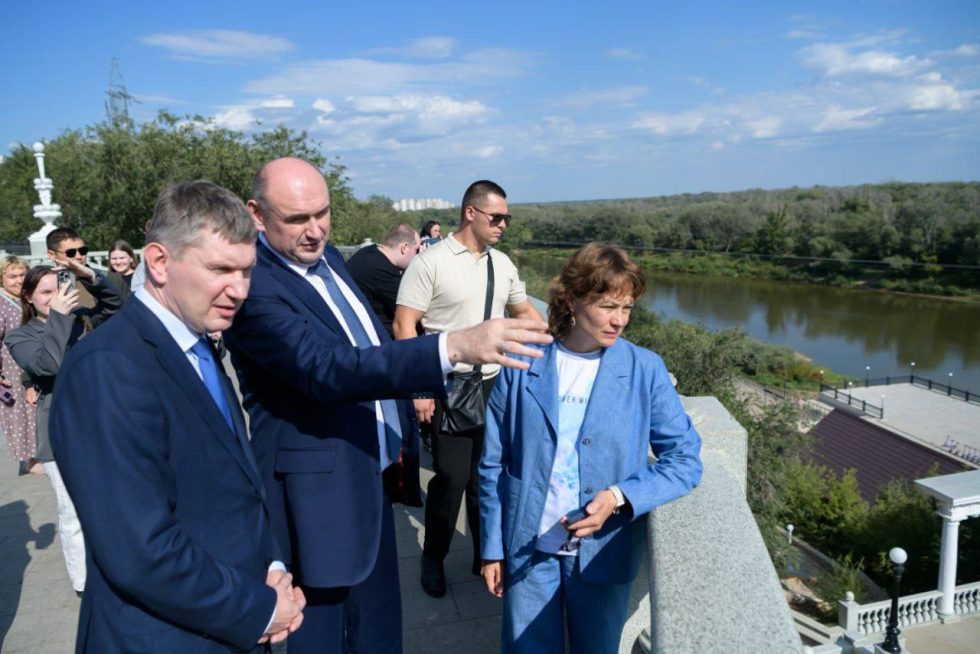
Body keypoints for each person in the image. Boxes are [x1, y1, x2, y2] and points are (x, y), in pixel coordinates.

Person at [223, 157, 552, 654]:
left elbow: (369, 341)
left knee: (377, 629)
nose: (315, 230)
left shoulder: (329, 259)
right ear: (256, 214)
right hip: (317, 496)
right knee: (323, 635)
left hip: (368, 475)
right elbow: (325, 368)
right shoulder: (254, 285)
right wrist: (452, 347)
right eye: (297, 219)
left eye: (322, 213)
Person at [47, 181, 305, 652]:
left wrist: (271, 565)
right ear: (159, 262)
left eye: (247, 271)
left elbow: (237, 484)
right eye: (221, 269)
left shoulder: (197, 342)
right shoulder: (107, 368)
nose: (240, 290)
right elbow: (139, 549)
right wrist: (260, 609)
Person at [478, 243, 703, 654]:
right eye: (607, 306)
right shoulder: (523, 363)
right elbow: (493, 463)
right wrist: (492, 548)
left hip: (604, 552)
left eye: (627, 308)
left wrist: (618, 496)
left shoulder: (644, 369)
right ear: (571, 299)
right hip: (528, 548)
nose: (620, 320)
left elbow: (685, 460)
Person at [393, 179, 543, 599]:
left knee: (487, 479)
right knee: (451, 479)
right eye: (497, 217)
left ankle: (485, 556)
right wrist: (420, 389)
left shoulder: (502, 264)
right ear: (470, 213)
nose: (503, 225)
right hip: (449, 386)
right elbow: (404, 326)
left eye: (508, 218)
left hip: (496, 386)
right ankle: (433, 557)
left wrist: (569, 344)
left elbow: (525, 313)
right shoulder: (431, 262)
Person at [5, 260, 123, 594]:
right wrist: (58, 315)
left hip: (101, 422)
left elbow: (116, 307)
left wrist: (89, 276)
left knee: (113, 501)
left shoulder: (80, 318)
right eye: (45, 292)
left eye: (58, 289)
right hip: (59, 429)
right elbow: (48, 364)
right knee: (72, 509)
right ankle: (83, 584)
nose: (54, 297)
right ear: (28, 297)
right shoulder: (19, 336)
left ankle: (116, 570)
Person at [346, 223, 420, 338]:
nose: (418, 255)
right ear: (404, 248)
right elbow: (411, 309)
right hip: (376, 339)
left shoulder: (367, 252)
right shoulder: (382, 271)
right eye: (416, 250)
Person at [0, 256, 39, 475]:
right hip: (11, 370)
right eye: (12, 276)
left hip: (31, 366)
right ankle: (28, 461)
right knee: (18, 416)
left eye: (22, 275)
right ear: (2, 279)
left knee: (33, 412)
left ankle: (38, 455)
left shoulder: (27, 298)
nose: (18, 280)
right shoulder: (2, 303)